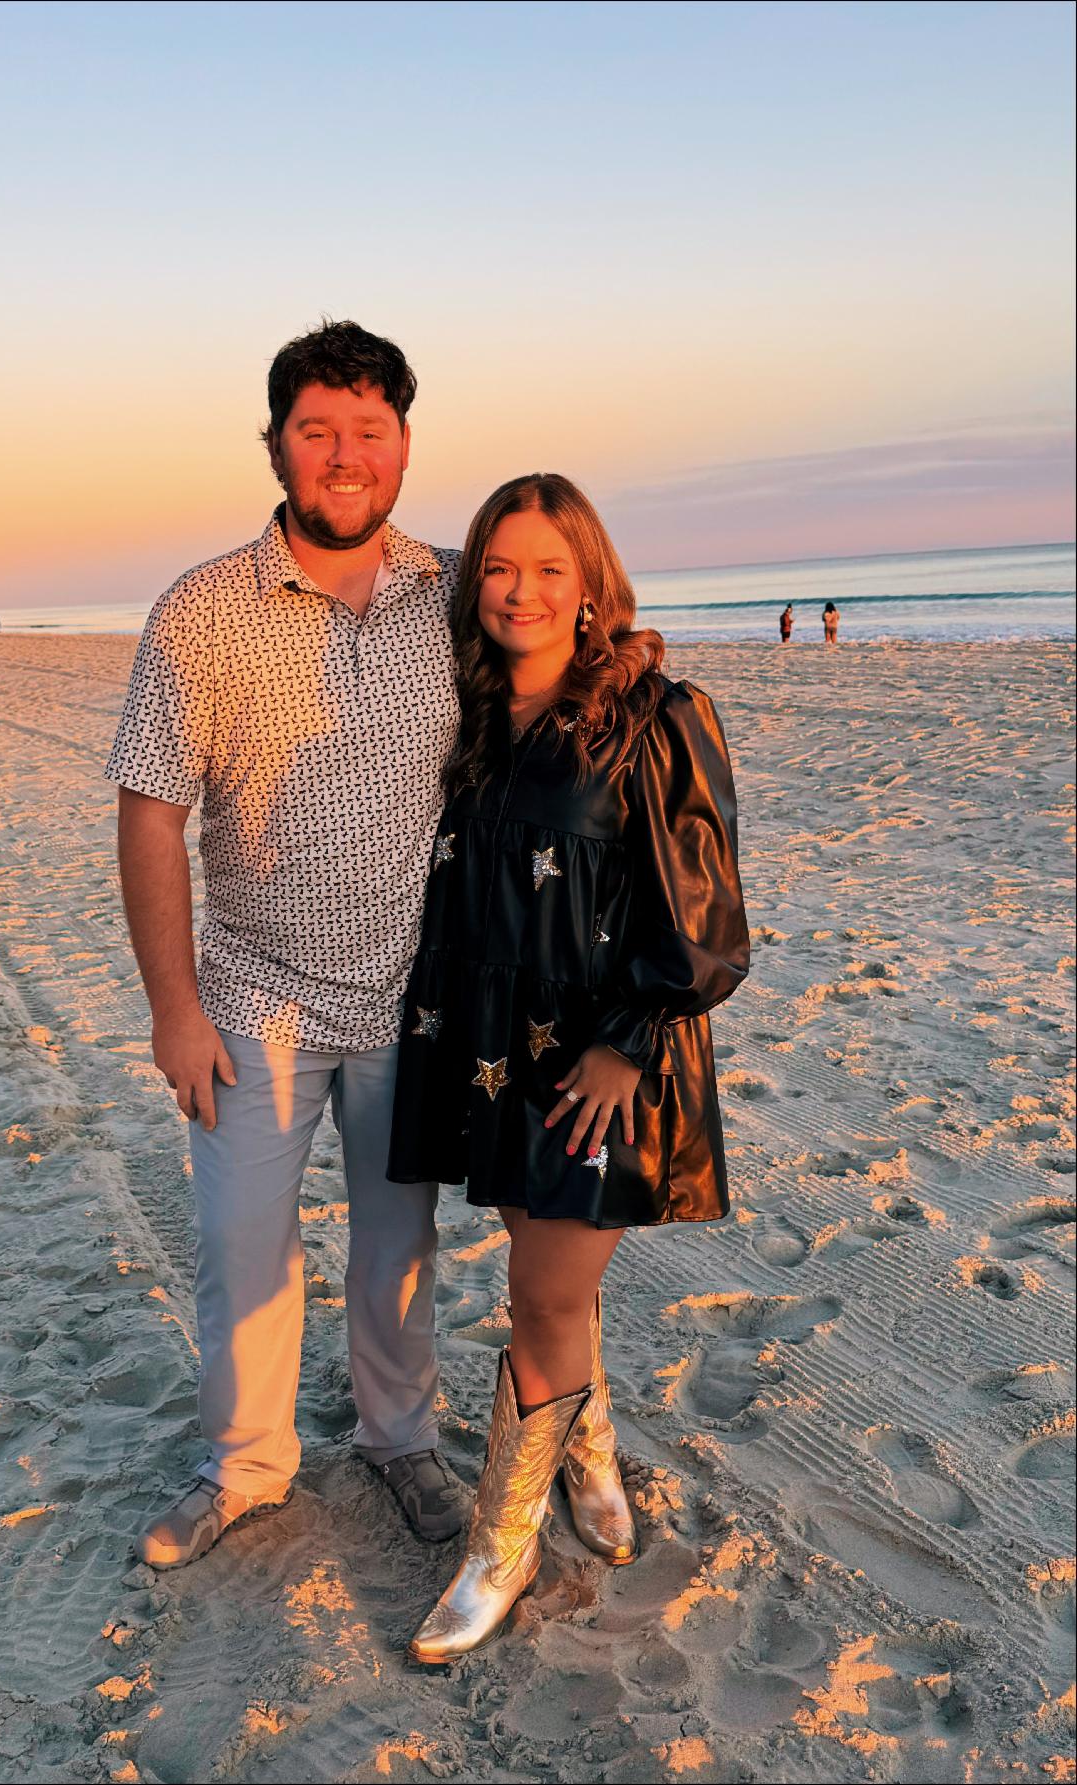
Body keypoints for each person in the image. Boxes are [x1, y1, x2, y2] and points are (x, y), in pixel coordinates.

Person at [106, 320, 470, 1571]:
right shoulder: (204, 609)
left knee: (397, 1246)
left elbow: (561, 688)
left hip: (414, 996)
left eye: (370, 430)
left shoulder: (455, 595)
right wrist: (173, 1008)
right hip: (254, 995)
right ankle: (248, 1466)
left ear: (406, 444)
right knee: (243, 1245)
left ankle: (400, 1439)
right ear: (275, 446)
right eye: (317, 430)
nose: (344, 454)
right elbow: (151, 809)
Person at [387, 474, 749, 1662]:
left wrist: (623, 1046)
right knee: (554, 1285)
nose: (522, 591)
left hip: (605, 1059)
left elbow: (704, 917)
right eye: (499, 567)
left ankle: (502, 1543)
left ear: (591, 581)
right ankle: (586, 1448)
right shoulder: (480, 722)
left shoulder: (654, 712)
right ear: (473, 584)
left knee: (538, 1295)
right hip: (496, 1052)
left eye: (550, 568)